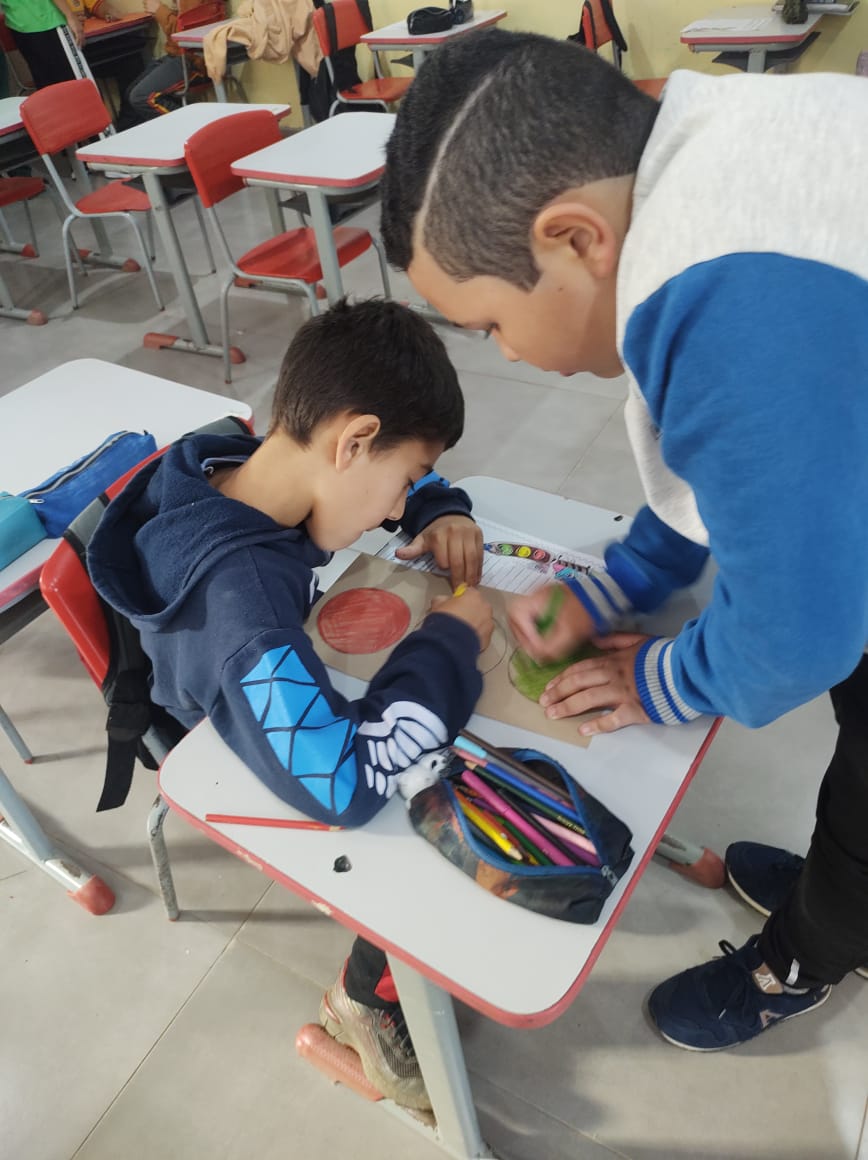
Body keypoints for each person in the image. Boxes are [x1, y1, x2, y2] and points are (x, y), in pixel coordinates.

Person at [378, 28, 868, 1052]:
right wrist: (622, 580)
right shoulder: (696, 162)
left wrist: (660, 680)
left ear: (574, 240)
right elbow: (732, 462)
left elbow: (798, 635)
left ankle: (809, 952)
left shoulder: (729, 303)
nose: (508, 354)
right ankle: (842, 892)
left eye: (490, 324)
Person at [88, 297, 494, 1108]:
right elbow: (342, 786)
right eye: (402, 483)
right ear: (353, 441)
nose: (394, 510)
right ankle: (368, 999)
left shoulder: (229, 457)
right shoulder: (242, 613)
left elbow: (371, 474)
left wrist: (436, 505)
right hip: (236, 744)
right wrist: (449, 643)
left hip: (259, 684)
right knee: (443, 799)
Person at [116, 0, 206, 128]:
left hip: (193, 59)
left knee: (140, 97)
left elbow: (186, 34)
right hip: (176, 55)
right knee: (130, 94)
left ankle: (195, 128)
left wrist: (160, 11)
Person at [0, 0, 82, 89]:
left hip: (19, 23)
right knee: (73, 81)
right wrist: (70, 16)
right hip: (47, 20)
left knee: (48, 84)